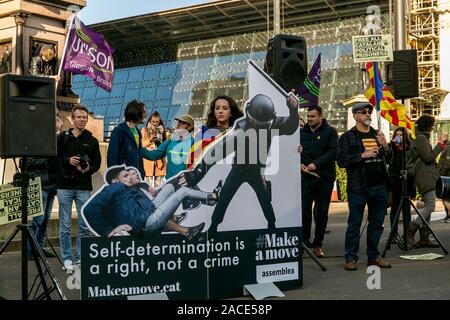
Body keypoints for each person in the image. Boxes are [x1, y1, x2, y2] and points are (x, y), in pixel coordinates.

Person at [183, 93, 299, 238]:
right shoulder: (243, 128)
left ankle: (272, 227)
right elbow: (220, 149)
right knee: (224, 198)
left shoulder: (270, 124)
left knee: (264, 199)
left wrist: (293, 110)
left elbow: (291, 127)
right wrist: (199, 170)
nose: (258, 126)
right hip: (239, 169)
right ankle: (212, 229)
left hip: (255, 171)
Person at [82, 165, 222, 241]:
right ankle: (212, 197)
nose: (130, 177)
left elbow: (145, 204)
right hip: (146, 224)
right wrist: (108, 231)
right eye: (125, 176)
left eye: (129, 174)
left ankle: (203, 203)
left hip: (148, 214)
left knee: (169, 187)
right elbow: (89, 210)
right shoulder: (114, 188)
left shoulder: (126, 189)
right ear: (115, 181)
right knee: (183, 192)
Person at [337, 102, 392, 271]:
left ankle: (373, 256)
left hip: (379, 186)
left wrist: (385, 146)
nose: (368, 114)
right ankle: (350, 258)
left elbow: (389, 160)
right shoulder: (347, 137)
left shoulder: (377, 134)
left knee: (377, 224)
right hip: (358, 188)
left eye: (369, 112)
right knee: (354, 224)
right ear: (355, 116)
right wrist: (363, 154)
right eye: (363, 112)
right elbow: (341, 161)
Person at [57, 105, 101, 274]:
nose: (82, 120)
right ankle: (67, 259)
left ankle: (80, 258)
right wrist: (68, 161)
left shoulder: (92, 141)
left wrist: (87, 169)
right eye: (79, 117)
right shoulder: (62, 138)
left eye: (85, 117)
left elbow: (97, 164)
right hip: (64, 186)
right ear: (72, 119)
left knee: (83, 225)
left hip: (83, 186)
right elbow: (54, 159)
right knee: (65, 225)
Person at [299, 105, 338, 258]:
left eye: (312, 116)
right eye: (308, 116)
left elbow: (333, 152)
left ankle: (317, 244)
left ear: (321, 116)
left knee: (321, 213)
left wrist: (316, 164)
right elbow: (295, 151)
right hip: (306, 177)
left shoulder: (330, 132)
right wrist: (300, 163)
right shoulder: (301, 132)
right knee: (304, 211)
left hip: (324, 178)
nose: (309, 119)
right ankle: (303, 242)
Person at [406, 115, 444, 247]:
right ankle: (411, 231)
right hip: (425, 175)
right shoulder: (421, 138)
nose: (434, 127)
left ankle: (424, 237)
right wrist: (440, 144)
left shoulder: (420, 137)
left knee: (428, 205)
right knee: (430, 206)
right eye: (432, 125)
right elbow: (428, 158)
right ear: (427, 125)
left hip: (426, 175)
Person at [141, 114, 195, 180]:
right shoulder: (170, 141)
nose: (178, 125)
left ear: (189, 127)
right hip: (169, 182)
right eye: (178, 122)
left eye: (183, 123)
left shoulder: (194, 143)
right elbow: (154, 155)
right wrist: (138, 148)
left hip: (184, 184)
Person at [107, 99, 147, 179]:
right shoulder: (119, 131)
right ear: (136, 113)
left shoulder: (138, 132)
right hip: (124, 179)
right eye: (144, 112)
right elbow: (112, 156)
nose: (145, 115)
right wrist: (115, 176)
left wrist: (141, 174)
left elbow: (139, 156)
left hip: (136, 178)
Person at [387, 128, 416, 235]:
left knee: (406, 210)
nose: (399, 136)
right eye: (397, 134)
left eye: (401, 135)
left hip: (406, 183)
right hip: (395, 183)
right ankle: (394, 234)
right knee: (394, 210)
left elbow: (413, 164)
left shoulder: (409, 149)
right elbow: (388, 158)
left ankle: (407, 234)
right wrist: (392, 144)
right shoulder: (392, 149)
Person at [141, 111, 167, 187]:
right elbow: (142, 145)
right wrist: (150, 140)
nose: (155, 124)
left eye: (157, 122)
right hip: (148, 160)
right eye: (153, 122)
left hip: (160, 160)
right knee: (149, 186)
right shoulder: (144, 130)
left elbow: (165, 144)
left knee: (158, 185)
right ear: (150, 120)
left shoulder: (162, 130)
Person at [438, 135, 450, 223]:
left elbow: (447, 163)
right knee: (446, 197)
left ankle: (449, 216)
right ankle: (448, 215)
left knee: (446, 197)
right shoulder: (446, 147)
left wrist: (441, 174)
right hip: (446, 175)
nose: (438, 139)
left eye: (440, 138)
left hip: (447, 176)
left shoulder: (448, 148)